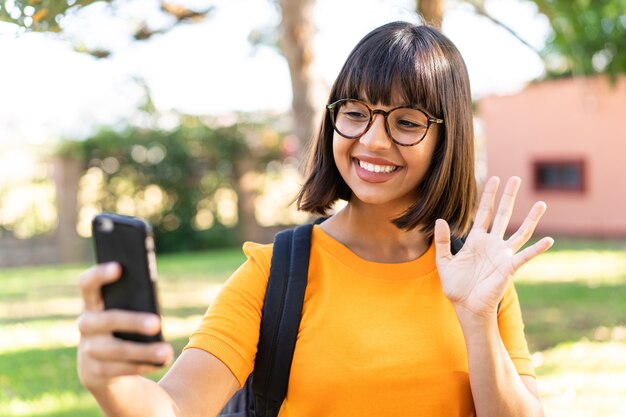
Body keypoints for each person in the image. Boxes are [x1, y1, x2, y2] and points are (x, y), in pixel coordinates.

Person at [77, 21, 553, 417]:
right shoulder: (275, 274)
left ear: (446, 142)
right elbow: (174, 408)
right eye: (355, 112)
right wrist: (112, 383)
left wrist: (477, 320)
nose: (373, 140)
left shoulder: (477, 280)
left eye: (406, 122)